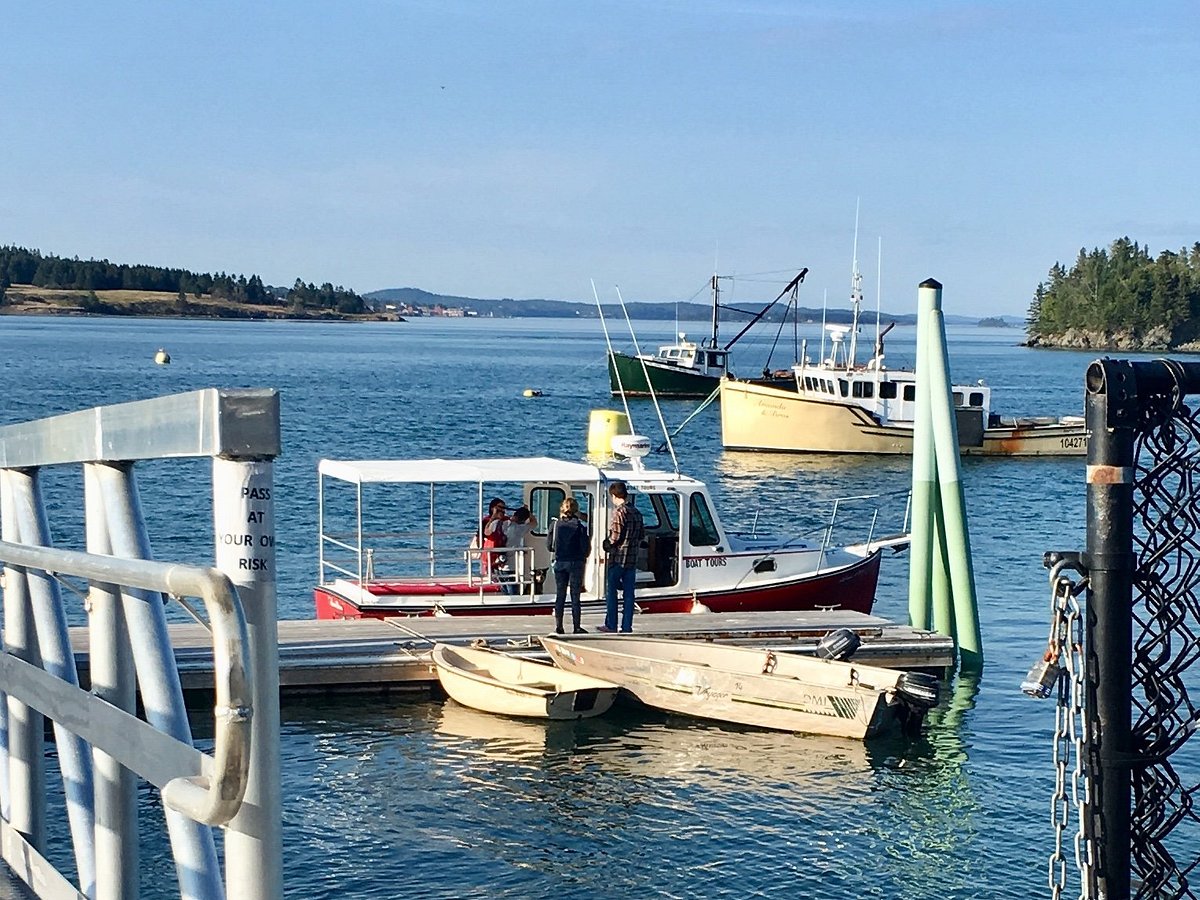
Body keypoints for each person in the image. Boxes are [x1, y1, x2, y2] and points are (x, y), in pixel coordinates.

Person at [600, 481, 644, 633]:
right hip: (632, 559)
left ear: (614, 495)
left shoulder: (620, 512)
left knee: (611, 591)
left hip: (618, 558)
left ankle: (611, 624)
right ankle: (627, 626)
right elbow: (641, 536)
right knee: (629, 595)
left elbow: (615, 538)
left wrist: (606, 544)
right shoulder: (637, 512)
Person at [550, 497, 589, 634]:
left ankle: (559, 626)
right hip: (576, 562)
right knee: (575, 596)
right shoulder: (580, 527)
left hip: (560, 562)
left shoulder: (555, 525)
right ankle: (577, 626)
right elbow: (585, 548)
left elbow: (550, 546)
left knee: (560, 595)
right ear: (576, 510)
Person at [504, 506, 537, 594]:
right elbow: (534, 523)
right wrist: (529, 513)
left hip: (499, 564)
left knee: (504, 591)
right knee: (513, 593)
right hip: (510, 566)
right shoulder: (519, 529)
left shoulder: (503, 524)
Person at [480, 497, 508, 579]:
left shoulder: (506, 520)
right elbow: (485, 533)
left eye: (504, 509)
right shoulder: (486, 521)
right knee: (490, 577)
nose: (502, 511)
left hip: (502, 553)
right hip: (490, 554)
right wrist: (493, 517)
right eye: (500, 508)